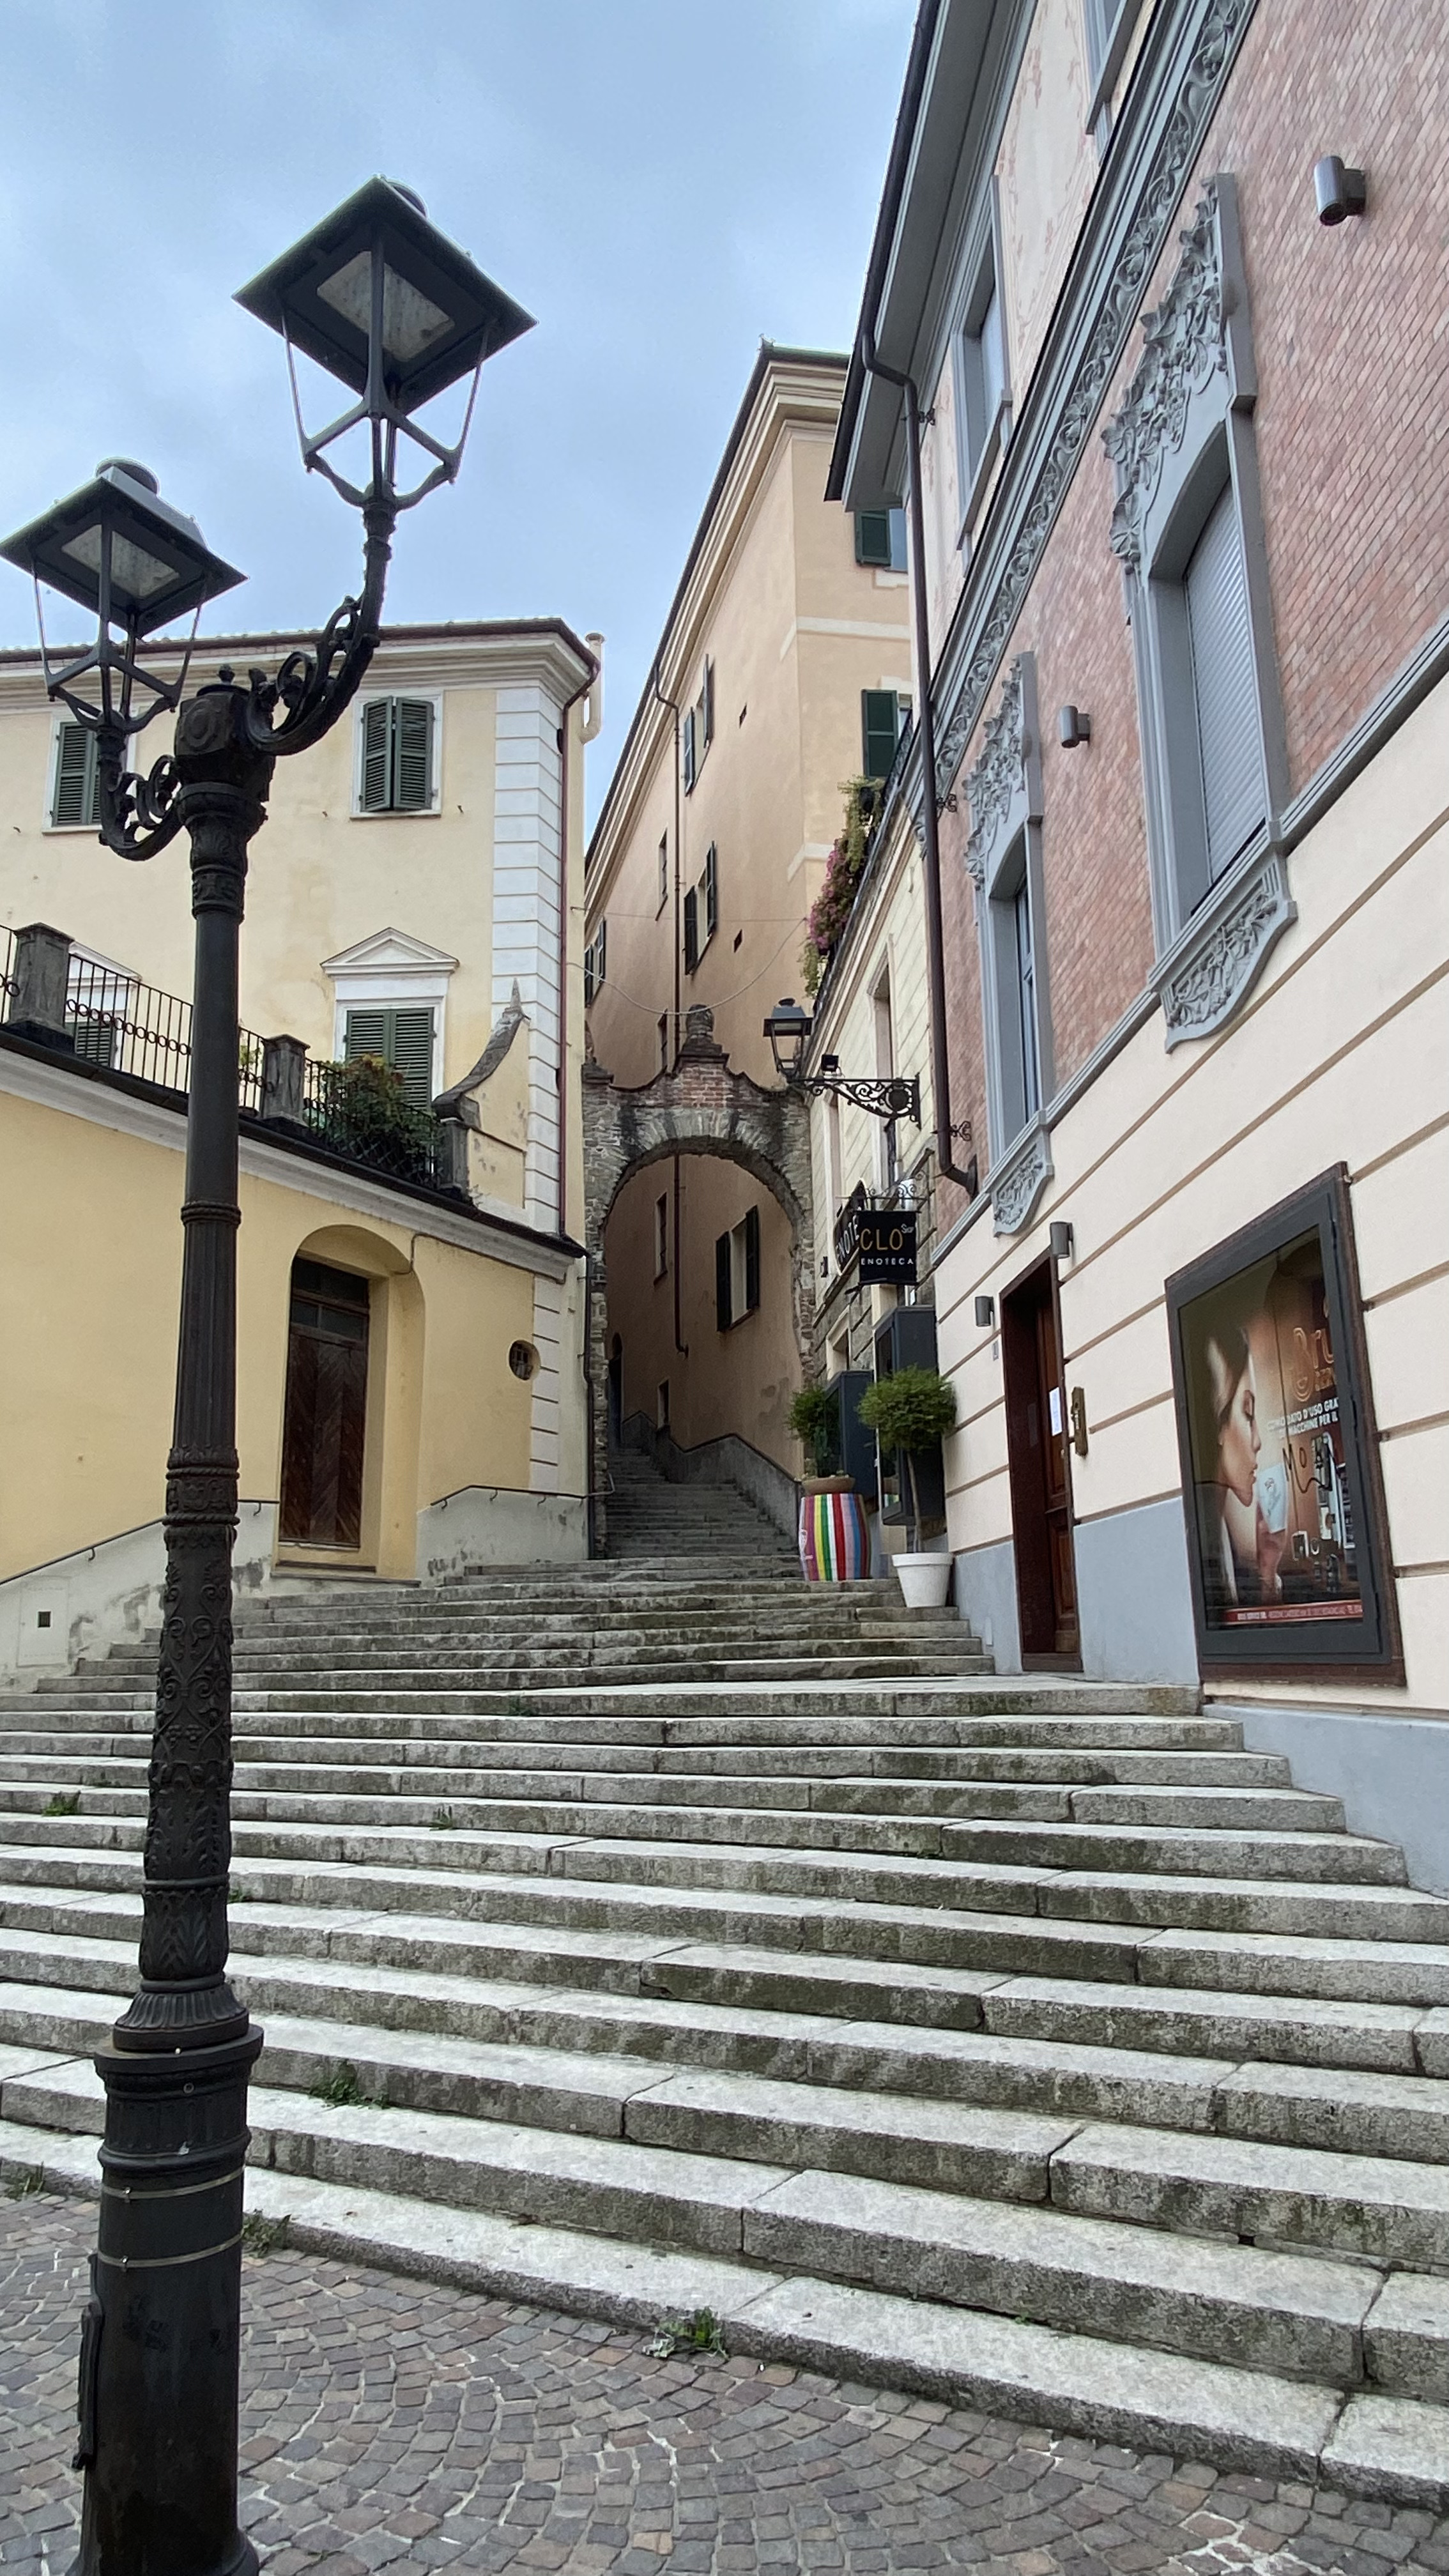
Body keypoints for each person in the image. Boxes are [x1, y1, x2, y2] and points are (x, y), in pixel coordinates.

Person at [1198, 1321, 1287, 1613]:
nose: (1258, 1441)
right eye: (1248, 1415)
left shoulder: (1229, 1549)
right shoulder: (1205, 1546)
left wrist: (1268, 1574)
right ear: (1219, 1425)